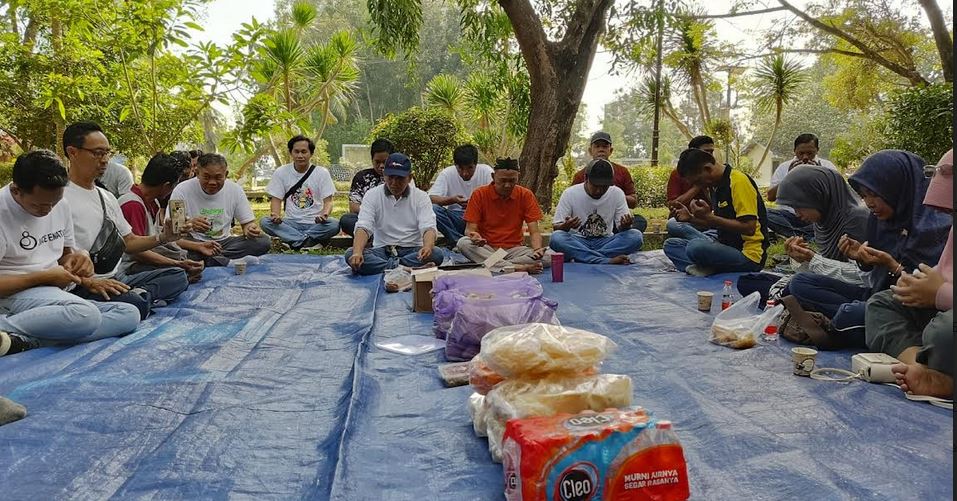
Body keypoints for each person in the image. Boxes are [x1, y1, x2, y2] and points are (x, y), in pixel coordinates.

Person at [784, 150, 951, 343]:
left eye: (874, 194)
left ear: (897, 188)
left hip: (907, 305)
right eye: (864, 196)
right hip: (876, 295)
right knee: (800, 283)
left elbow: (927, 292)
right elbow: (871, 279)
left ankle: (848, 323)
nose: (869, 203)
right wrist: (862, 260)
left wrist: (893, 266)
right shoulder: (878, 221)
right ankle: (853, 322)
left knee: (853, 313)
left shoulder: (936, 228)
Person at [0, 150, 139, 358]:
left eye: (53, 203)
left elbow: (65, 253)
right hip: (13, 293)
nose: (47, 211)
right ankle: (8, 327)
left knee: (129, 314)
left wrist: (78, 259)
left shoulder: (60, 205)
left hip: (50, 292)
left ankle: (21, 341)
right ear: (17, 190)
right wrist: (44, 277)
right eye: (38, 205)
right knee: (86, 315)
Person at [62, 122, 189, 320]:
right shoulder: (57, 198)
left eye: (107, 153)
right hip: (83, 283)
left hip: (117, 276)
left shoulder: (107, 197)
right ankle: (135, 301)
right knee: (133, 304)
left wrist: (163, 237)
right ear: (73, 152)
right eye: (97, 153)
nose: (104, 160)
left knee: (178, 276)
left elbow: (129, 242)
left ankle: (135, 298)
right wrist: (86, 281)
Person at [865, 150, 953, 399]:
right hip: (933, 313)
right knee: (880, 304)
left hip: (943, 319)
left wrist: (939, 293)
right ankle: (921, 366)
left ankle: (947, 381)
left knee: (945, 331)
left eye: (874, 193)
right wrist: (911, 283)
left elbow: (939, 289)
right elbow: (942, 270)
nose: (869, 202)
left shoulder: (931, 228)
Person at [663, 148, 768, 276]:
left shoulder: (738, 181)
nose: (699, 186)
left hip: (748, 255)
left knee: (695, 247)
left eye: (697, 181)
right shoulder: (715, 185)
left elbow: (749, 228)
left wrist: (709, 217)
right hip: (724, 245)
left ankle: (711, 267)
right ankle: (711, 267)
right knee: (672, 245)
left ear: (707, 168)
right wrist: (690, 218)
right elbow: (718, 224)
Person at [345, 153, 445, 275]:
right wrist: (357, 253)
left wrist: (427, 247)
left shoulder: (421, 197)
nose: (394, 183)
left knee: (437, 254)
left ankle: (388, 268)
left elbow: (428, 227)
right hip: (382, 250)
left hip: (413, 250)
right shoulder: (372, 195)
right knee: (350, 253)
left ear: (410, 177)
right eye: (390, 177)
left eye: (400, 178)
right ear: (384, 175)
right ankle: (404, 268)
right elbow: (364, 227)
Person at [168, 153, 271, 267]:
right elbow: (173, 230)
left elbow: (247, 223)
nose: (212, 182)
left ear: (225, 175)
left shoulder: (235, 190)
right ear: (197, 173)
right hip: (194, 242)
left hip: (223, 243)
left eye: (218, 177)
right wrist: (190, 224)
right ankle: (225, 261)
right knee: (173, 247)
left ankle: (210, 259)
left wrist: (250, 230)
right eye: (206, 177)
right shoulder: (181, 189)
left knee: (262, 242)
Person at [119, 153, 205, 283]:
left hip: (148, 255)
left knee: (188, 259)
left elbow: (162, 239)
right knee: (178, 275)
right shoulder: (132, 205)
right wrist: (176, 263)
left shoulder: (154, 202)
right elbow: (137, 252)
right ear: (166, 186)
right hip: (130, 267)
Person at [456, 158, 549, 273]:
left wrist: (537, 249)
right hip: (487, 248)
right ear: (493, 176)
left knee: (548, 256)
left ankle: (493, 264)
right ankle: (516, 267)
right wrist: (475, 237)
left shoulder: (526, 195)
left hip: (514, 250)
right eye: (503, 180)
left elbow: (534, 231)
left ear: (518, 177)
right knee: (463, 243)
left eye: (512, 181)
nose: (507, 185)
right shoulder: (479, 194)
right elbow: (470, 230)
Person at [549, 159, 643, 264]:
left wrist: (626, 226)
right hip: (578, 240)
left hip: (606, 241)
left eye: (604, 187)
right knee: (557, 238)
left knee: (635, 236)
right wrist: (566, 226)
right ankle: (603, 260)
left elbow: (622, 229)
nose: (599, 191)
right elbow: (556, 227)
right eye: (595, 186)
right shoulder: (570, 193)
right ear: (586, 178)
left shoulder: (617, 193)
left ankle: (584, 256)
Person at [260, 135, 339, 251]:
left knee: (335, 224)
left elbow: (328, 201)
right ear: (291, 153)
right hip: (290, 223)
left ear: (311, 153)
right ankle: (307, 242)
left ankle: (293, 240)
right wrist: (275, 215)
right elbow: (276, 199)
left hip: (315, 223)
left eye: (304, 152)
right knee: (265, 222)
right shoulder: (281, 172)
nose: (300, 156)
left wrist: (324, 215)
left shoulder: (322, 173)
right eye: (296, 152)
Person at [765, 134, 839, 240]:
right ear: (794, 151)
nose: (805, 157)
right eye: (801, 153)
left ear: (817, 150)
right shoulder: (784, 167)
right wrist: (789, 177)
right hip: (788, 216)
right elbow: (770, 197)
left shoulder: (827, 167)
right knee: (764, 213)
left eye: (810, 153)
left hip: (816, 218)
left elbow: (836, 197)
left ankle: (791, 235)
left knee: (832, 220)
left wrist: (820, 176)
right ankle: (805, 236)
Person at [572, 131, 647, 232]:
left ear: (610, 150)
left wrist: (615, 196)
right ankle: (613, 243)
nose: (601, 150)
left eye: (605, 147)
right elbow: (573, 202)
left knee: (640, 222)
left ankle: (615, 240)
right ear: (590, 151)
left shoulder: (622, 171)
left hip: (616, 219)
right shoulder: (580, 175)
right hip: (590, 221)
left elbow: (633, 202)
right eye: (597, 146)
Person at [429, 144, 494, 245]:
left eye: (469, 168)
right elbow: (431, 198)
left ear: (476, 164)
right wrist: (452, 200)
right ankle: (458, 241)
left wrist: (474, 205)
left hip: (480, 219)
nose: (465, 173)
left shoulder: (486, 172)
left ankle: (465, 242)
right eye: (460, 168)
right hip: (457, 217)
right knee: (433, 210)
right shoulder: (447, 173)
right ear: (455, 165)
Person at [340, 139, 400, 237]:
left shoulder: (400, 177)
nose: (381, 166)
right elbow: (353, 207)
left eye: (385, 162)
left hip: (394, 220)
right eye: (377, 162)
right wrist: (374, 214)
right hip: (368, 219)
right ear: (372, 159)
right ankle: (379, 238)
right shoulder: (361, 177)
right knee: (347, 220)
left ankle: (374, 238)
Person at [666, 135, 718, 237]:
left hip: (709, 221)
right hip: (687, 222)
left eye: (711, 152)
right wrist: (697, 186)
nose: (710, 156)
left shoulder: (715, 174)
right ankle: (707, 241)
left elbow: (718, 208)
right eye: (706, 152)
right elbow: (673, 205)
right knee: (672, 227)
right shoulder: (678, 173)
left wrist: (707, 189)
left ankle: (703, 242)